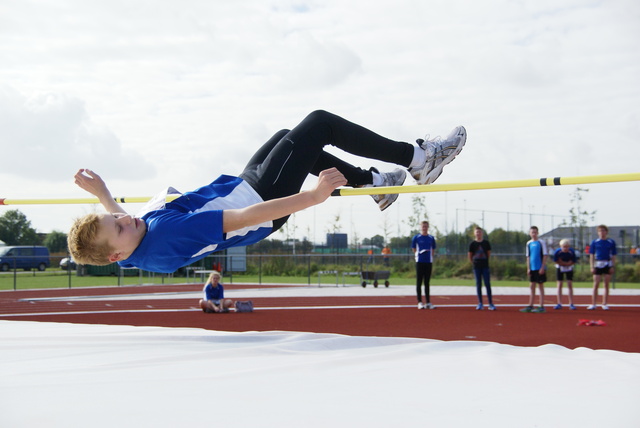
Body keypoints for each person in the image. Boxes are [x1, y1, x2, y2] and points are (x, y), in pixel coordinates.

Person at [68, 110, 467, 273]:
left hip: (245, 188)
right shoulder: (168, 238)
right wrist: (313, 197)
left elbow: (118, 231)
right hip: (260, 201)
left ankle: (373, 185)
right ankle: (419, 159)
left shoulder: (129, 250)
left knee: (288, 138)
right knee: (319, 125)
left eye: (116, 217)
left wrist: (104, 196)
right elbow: (243, 220)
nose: (125, 217)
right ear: (118, 250)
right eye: (118, 225)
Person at [588, 224, 617, 310]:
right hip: (598, 264)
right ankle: (593, 303)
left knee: (606, 284)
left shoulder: (611, 242)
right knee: (596, 284)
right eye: (600, 231)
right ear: (598, 232)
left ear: (606, 232)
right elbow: (591, 255)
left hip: (607, 264)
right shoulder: (594, 242)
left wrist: (612, 266)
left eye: (603, 231)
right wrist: (592, 266)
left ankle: (604, 303)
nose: (602, 232)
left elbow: (613, 255)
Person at [521, 226, 548, 313]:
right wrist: (528, 268)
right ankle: (530, 305)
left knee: (540, 285)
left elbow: (545, 255)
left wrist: (542, 267)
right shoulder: (528, 243)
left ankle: (541, 306)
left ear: (538, 233)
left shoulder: (541, 242)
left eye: (535, 232)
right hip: (532, 268)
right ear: (530, 233)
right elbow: (528, 256)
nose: (534, 234)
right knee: (532, 286)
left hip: (539, 267)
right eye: (532, 232)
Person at [468, 226, 495, 310]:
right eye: (477, 232)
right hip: (476, 267)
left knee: (487, 284)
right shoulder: (472, 244)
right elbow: (470, 255)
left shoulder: (486, 243)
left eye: (479, 232)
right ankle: (480, 303)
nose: (478, 233)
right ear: (474, 233)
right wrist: (474, 262)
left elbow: (488, 253)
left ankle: (490, 303)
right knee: (478, 284)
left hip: (485, 266)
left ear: (482, 233)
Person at [412, 221, 436, 309]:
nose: (424, 228)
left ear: (428, 227)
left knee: (427, 282)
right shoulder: (416, 237)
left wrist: (430, 257)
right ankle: (419, 302)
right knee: (419, 282)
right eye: (423, 226)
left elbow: (433, 249)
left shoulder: (431, 238)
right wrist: (418, 255)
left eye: (426, 226)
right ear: (420, 227)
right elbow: (414, 248)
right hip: (419, 262)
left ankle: (428, 302)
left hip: (428, 262)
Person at [553, 239, 577, 310]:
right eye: (564, 247)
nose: (565, 248)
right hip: (560, 267)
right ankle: (559, 303)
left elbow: (574, 261)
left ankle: (571, 303)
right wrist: (563, 264)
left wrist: (568, 264)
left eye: (567, 247)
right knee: (559, 284)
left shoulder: (571, 252)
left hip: (569, 267)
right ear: (561, 246)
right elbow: (556, 261)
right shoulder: (557, 252)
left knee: (569, 284)